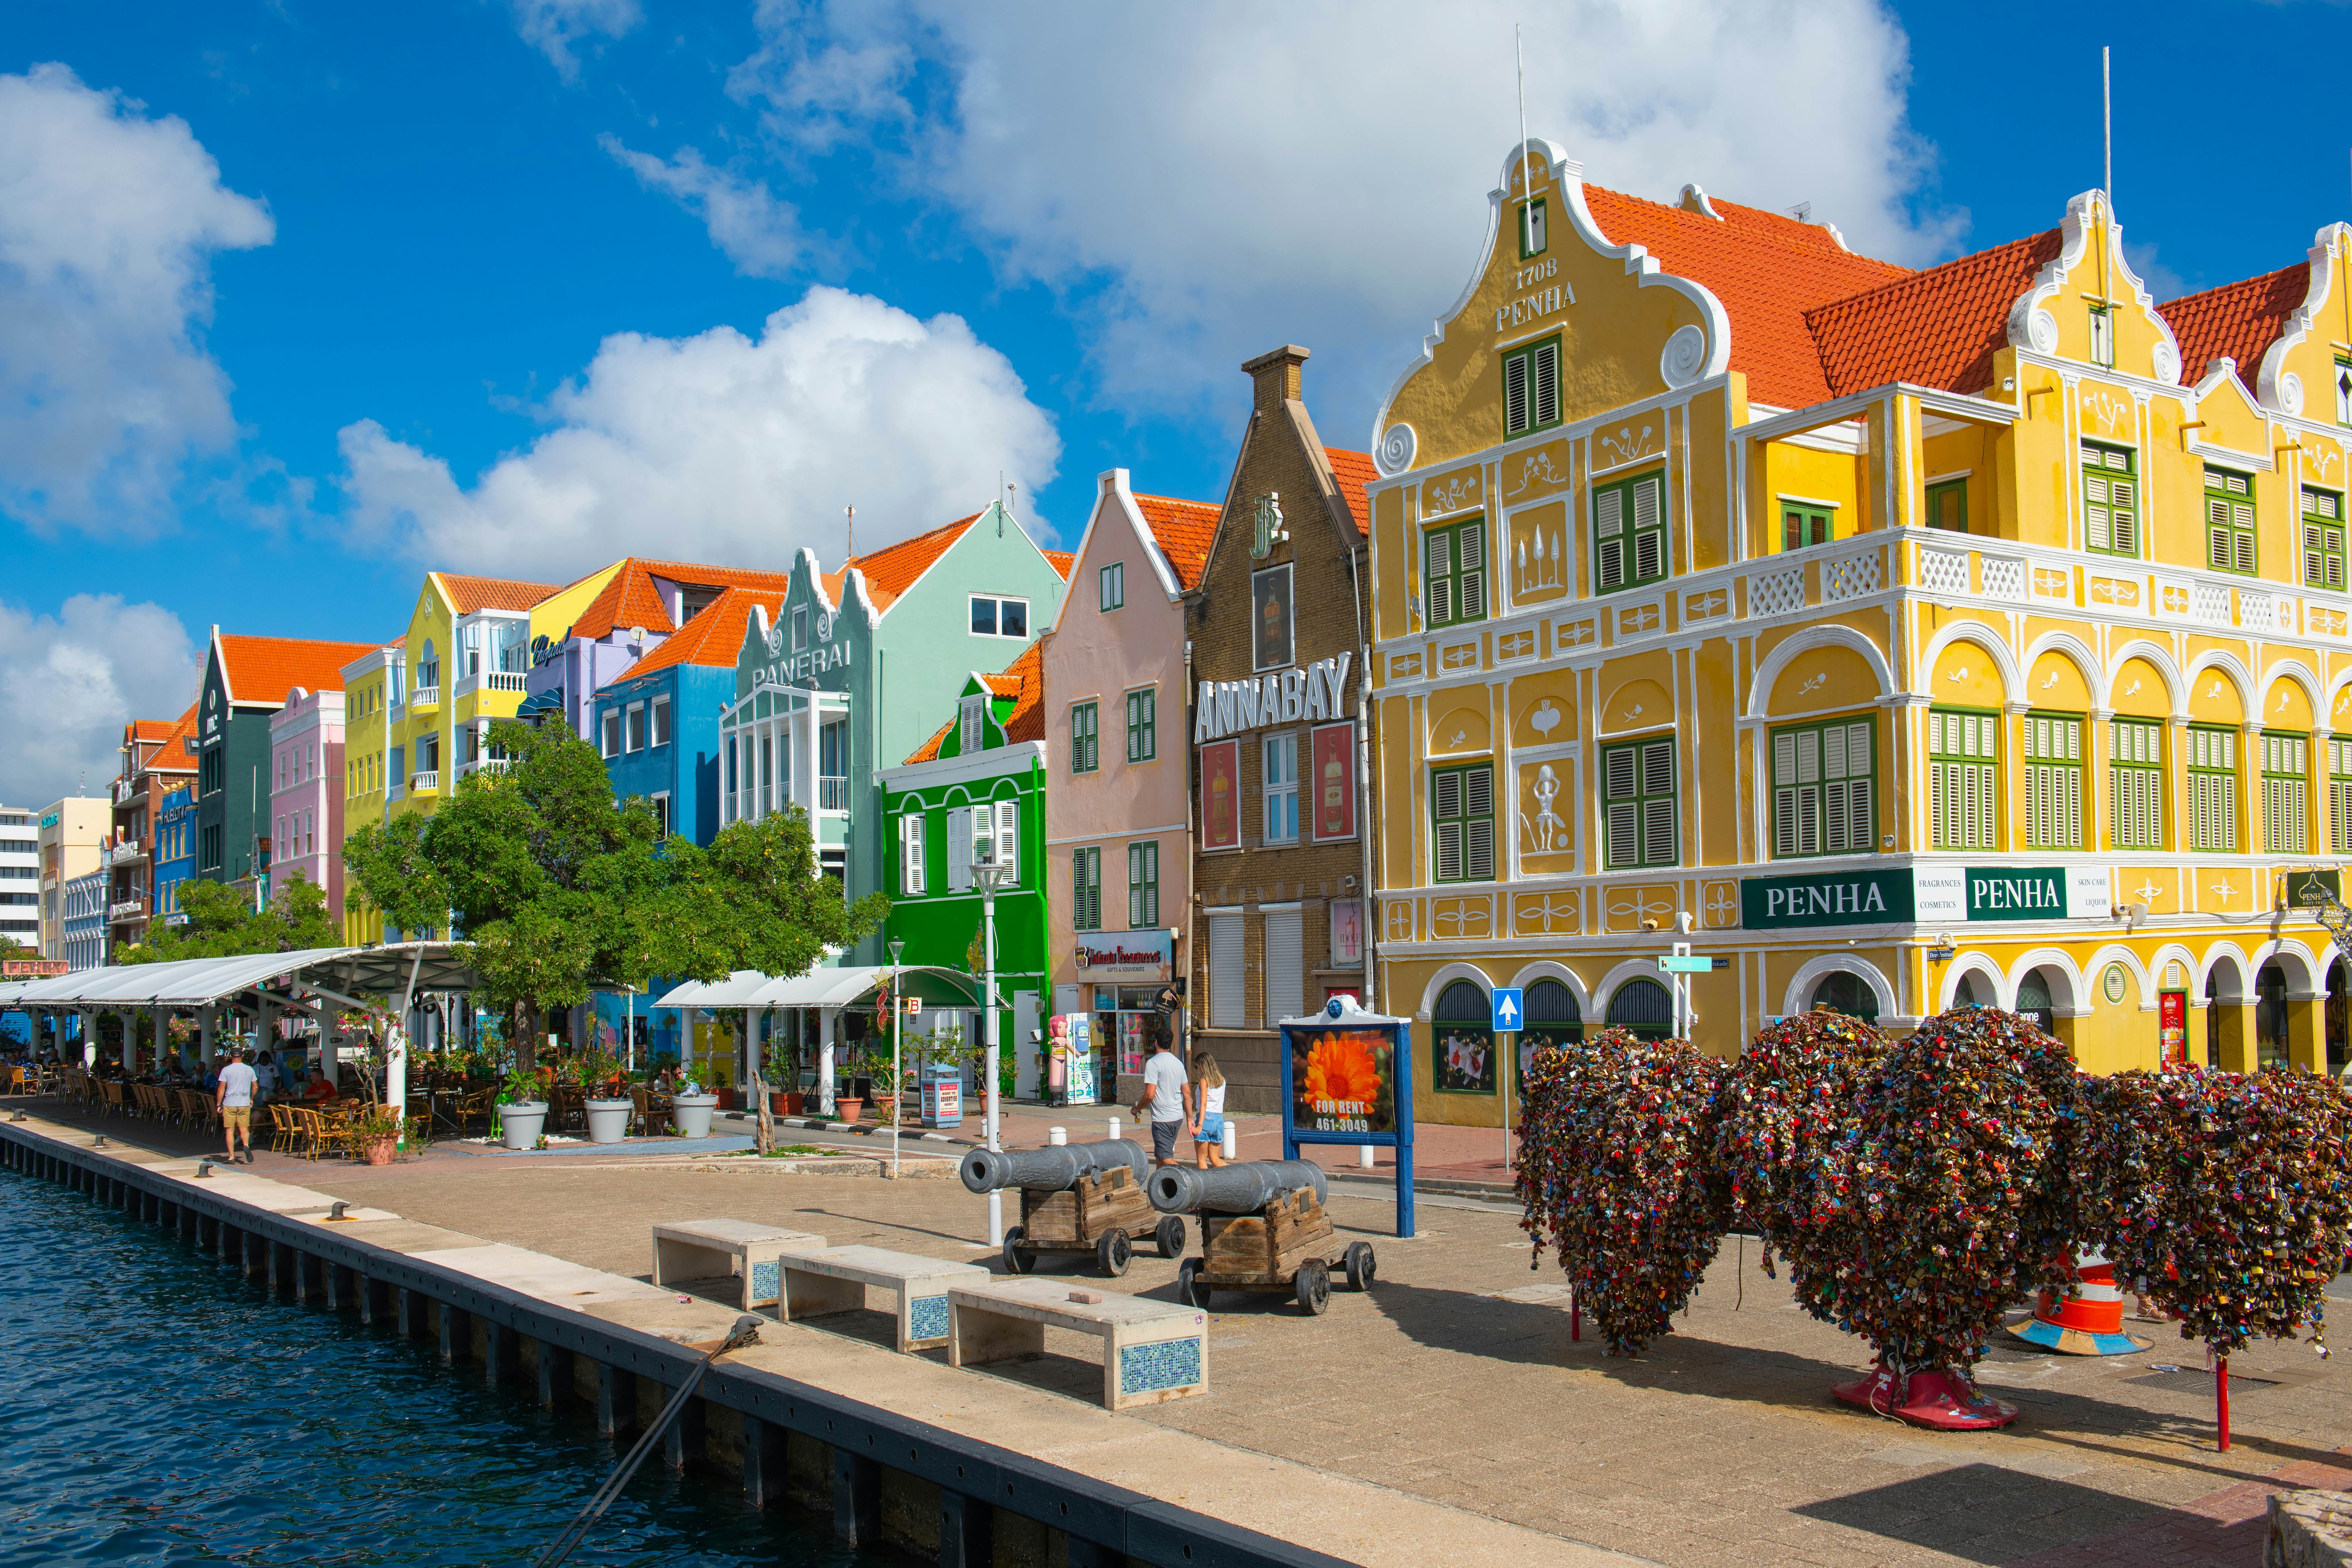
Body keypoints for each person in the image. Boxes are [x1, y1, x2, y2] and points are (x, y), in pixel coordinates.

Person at [1133, 1036, 1189, 1167]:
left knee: (1166, 1158)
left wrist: (1137, 1109)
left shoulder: (1153, 1063)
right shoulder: (1178, 1063)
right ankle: (1159, 1186)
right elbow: (1187, 1092)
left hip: (1163, 1120)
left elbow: (1149, 1095)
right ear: (1170, 1043)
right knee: (1160, 1156)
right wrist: (1190, 1119)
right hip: (1177, 1117)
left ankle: (1190, 1179)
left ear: (1156, 1042)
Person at [216, 1045, 258, 1164]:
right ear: (243, 1056)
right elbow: (255, 1087)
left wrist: (219, 1104)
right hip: (244, 1103)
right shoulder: (249, 1069)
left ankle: (232, 1158)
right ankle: (246, 1145)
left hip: (230, 1103)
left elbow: (221, 1089)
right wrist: (251, 1099)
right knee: (244, 1128)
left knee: (230, 1130)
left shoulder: (226, 1070)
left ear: (231, 1056)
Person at [1190, 1051, 1228, 1169]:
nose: (1197, 1069)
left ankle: (1204, 1187)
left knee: (1202, 1159)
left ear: (1202, 1066)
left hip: (1206, 1119)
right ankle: (1232, 1176)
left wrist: (1200, 1125)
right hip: (1219, 1120)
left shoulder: (1204, 1081)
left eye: (1197, 1067)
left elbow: (1204, 1104)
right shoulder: (1222, 1081)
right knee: (1215, 1159)